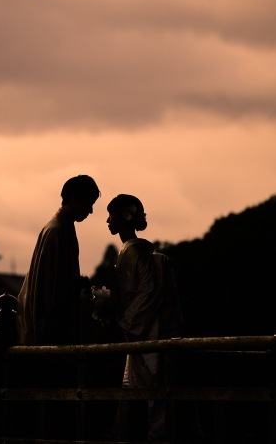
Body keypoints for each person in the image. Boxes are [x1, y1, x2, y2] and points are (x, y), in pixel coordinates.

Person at [92, 193, 185, 442]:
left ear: (124, 218)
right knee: (149, 397)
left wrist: (118, 314)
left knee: (153, 399)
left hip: (145, 332)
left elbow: (145, 294)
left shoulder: (133, 253)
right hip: (145, 329)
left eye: (111, 215)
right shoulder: (137, 253)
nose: (108, 221)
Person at [17, 174, 101, 346]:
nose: (90, 211)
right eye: (89, 204)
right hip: (51, 332)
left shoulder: (61, 227)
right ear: (76, 199)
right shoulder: (56, 231)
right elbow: (51, 289)